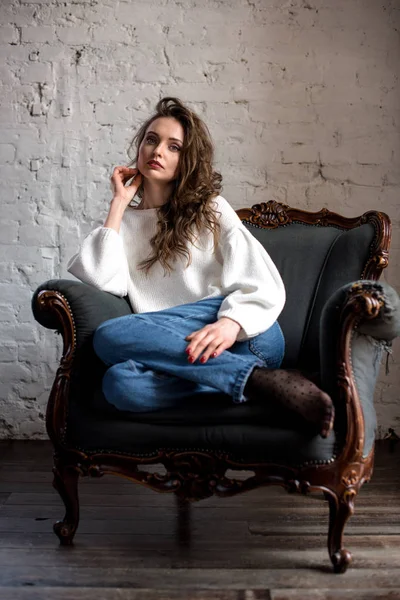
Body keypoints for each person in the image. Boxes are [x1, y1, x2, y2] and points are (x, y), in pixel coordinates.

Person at [68, 97, 334, 438]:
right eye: (151, 139)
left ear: (187, 160)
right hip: (185, 356)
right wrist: (119, 204)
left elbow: (263, 283)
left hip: (246, 338)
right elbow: (99, 278)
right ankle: (253, 382)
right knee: (121, 385)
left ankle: (241, 373)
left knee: (109, 335)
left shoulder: (211, 210)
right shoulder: (125, 226)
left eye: (173, 146)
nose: (158, 151)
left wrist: (228, 323)